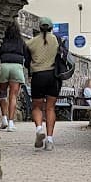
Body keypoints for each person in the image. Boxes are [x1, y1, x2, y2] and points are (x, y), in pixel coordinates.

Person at [25, 18, 63, 150]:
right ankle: (50, 140)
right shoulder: (57, 39)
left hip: (38, 76)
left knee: (37, 107)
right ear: (51, 28)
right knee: (50, 108)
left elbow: (26, 62)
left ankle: (39, 129)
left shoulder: (30, 42)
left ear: (39, 28)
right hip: (53, 76)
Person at [0, 23, 29, 131]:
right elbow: (27, 56)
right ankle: (11, 123)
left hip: (4, 66)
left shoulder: (2, 40)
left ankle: (4, 119)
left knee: (3, 94)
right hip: (16, 67)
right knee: (13, 96)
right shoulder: (21, 41)